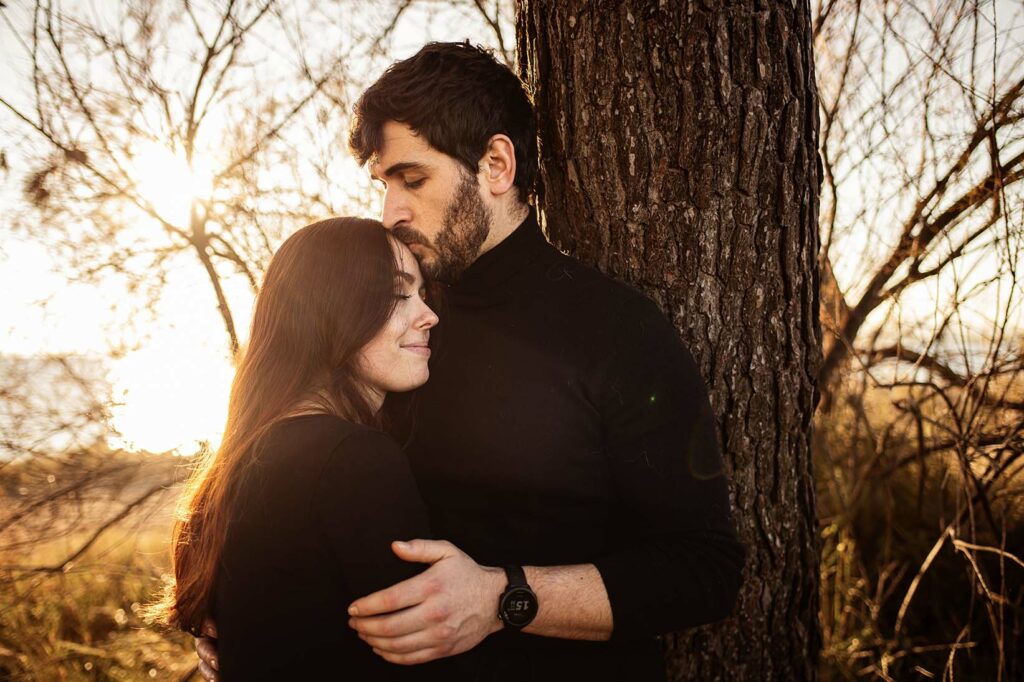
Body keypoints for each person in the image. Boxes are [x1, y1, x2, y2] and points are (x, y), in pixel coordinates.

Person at [196, 42, 746, 681]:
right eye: (384, 185)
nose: (391, 212)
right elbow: (289, 450)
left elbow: (705, 570)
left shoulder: (616, 332)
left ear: (495, 164)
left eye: (413, 179)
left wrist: (501, 597)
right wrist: (252, 607)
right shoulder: (392, 327)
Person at [153, 217, 462, 679]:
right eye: (400, 294)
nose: (428, 315)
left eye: (422, 295)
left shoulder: (243, 459)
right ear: (331, 309)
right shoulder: (354, 461)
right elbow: (426, 663)